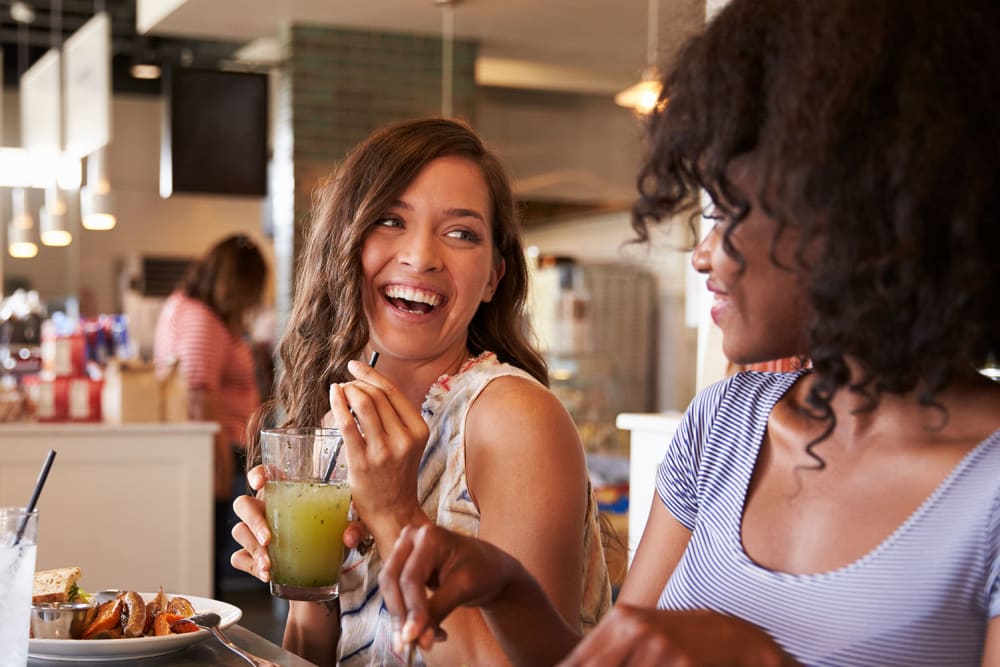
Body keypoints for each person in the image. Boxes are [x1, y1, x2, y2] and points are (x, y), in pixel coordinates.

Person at [375, 0, 1000, 665]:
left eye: (726, 209)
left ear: (849, 211)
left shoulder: (985, 486)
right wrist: (508, 590)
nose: (701, 254)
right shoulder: (723, 426)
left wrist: (763, 660)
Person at [229, 117, 612, 666]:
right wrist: (309, 583)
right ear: (348, 243)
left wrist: (395, 512)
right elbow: (317, 654)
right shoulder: (341, 421)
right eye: (390, 220)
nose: (422, 255)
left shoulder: (513, 417)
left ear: (493, 279)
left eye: (461, 233)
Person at [153, 233, 269, 600]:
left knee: (212, 558)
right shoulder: (201, 319)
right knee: (214, 562)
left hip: (219, 451)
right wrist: (218, 470)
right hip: (219, 453)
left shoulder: (188, 309)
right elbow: (202, 397)